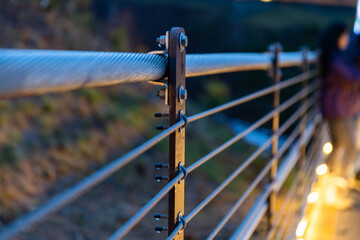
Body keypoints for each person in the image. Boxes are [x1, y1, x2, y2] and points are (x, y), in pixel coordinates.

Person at [319, 21, 360, 207]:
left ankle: (331, 188)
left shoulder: (335, 56)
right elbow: (351, 79)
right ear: (337, 37)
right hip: (336, 109)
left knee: (340, 145)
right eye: (344, 36)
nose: (347, 39)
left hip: (337, 108)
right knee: (349, 145)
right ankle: (335, 187)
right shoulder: (335, 58)